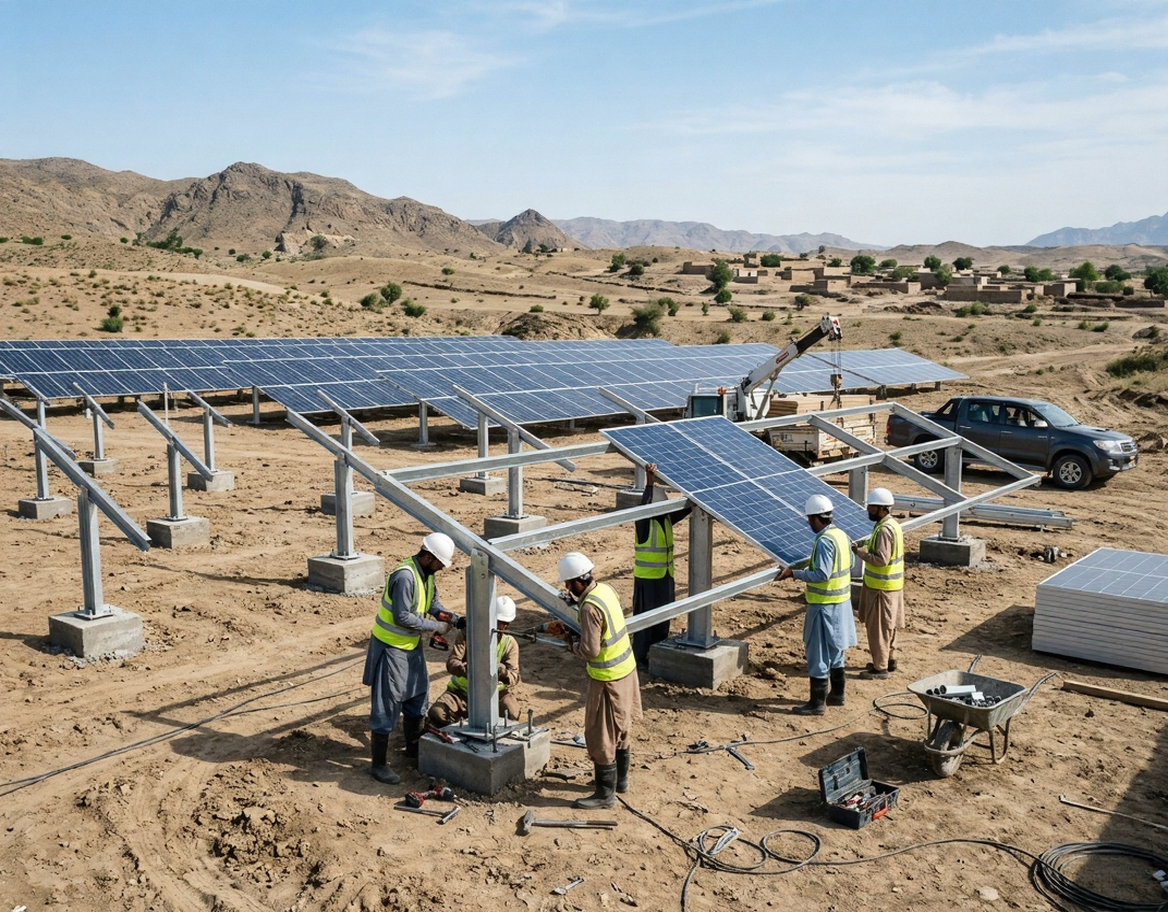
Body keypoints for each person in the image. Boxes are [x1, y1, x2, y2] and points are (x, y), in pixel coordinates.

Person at [363, 532, 458, 785]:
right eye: (440, 563)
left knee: (417, 696)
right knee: (387, 704)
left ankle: (413, 750)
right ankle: (379, 765)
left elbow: (433, 603)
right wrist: (435, 627)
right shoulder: (405, 576)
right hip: (391, 648)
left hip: (410, 646)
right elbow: (402, 617)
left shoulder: (426, 574)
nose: (441, 568)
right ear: (428, 557)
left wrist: (451, 617)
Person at [553, 551, 642, 809]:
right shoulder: (605, 590)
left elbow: (591, 650)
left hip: (607, 679)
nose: (568, 589)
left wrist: (570, 644)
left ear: (576, 582)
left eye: (568, 585)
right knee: (621, 726)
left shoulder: (590, 607)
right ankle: (620, 782)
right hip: (627, 670)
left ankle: (605, 795)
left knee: (601, 734)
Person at [775, 494, 857, 715]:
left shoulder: (824, 542)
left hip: (823, 606)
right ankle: (837, 695)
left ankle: (817, 703)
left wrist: (795, 573)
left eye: (809, 519)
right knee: (836, 649)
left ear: (814, 518)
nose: (808, 523)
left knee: (818, 652)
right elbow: (852, 562)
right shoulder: (841, 535)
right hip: (841, 603)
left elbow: (821, 573)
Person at [427, 596, 522, 728]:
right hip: (461, 693)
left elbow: (514, 676)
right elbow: (452, 663)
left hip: (494, 695)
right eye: (498, 621)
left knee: (511, 712)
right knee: (437, 713)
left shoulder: (509, 644)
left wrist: (502, 672)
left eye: (504, 623)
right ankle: (458, 728)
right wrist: (466, 669)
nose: (501, 626)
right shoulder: (468, 635)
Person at [632, 463, 691, 669]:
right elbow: (645, 505)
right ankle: (639, 659)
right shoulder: (644, 523)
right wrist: (650, 481)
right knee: (645, 623)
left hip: (665, 578)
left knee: (662, 619)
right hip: (647, 580)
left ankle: (655, 653)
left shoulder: (665, 520)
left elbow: (686, 508)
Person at [851, 488, 905, 680]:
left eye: (872, 507)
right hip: (892, 587)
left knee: (878, 629)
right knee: (889, 626)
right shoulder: (892, 525)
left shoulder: (883, 530)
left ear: (882, 509)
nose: (869, 510)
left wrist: (859, 553)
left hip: (881, 589)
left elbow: (881, 559)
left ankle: (879, 668)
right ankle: (889, 659)